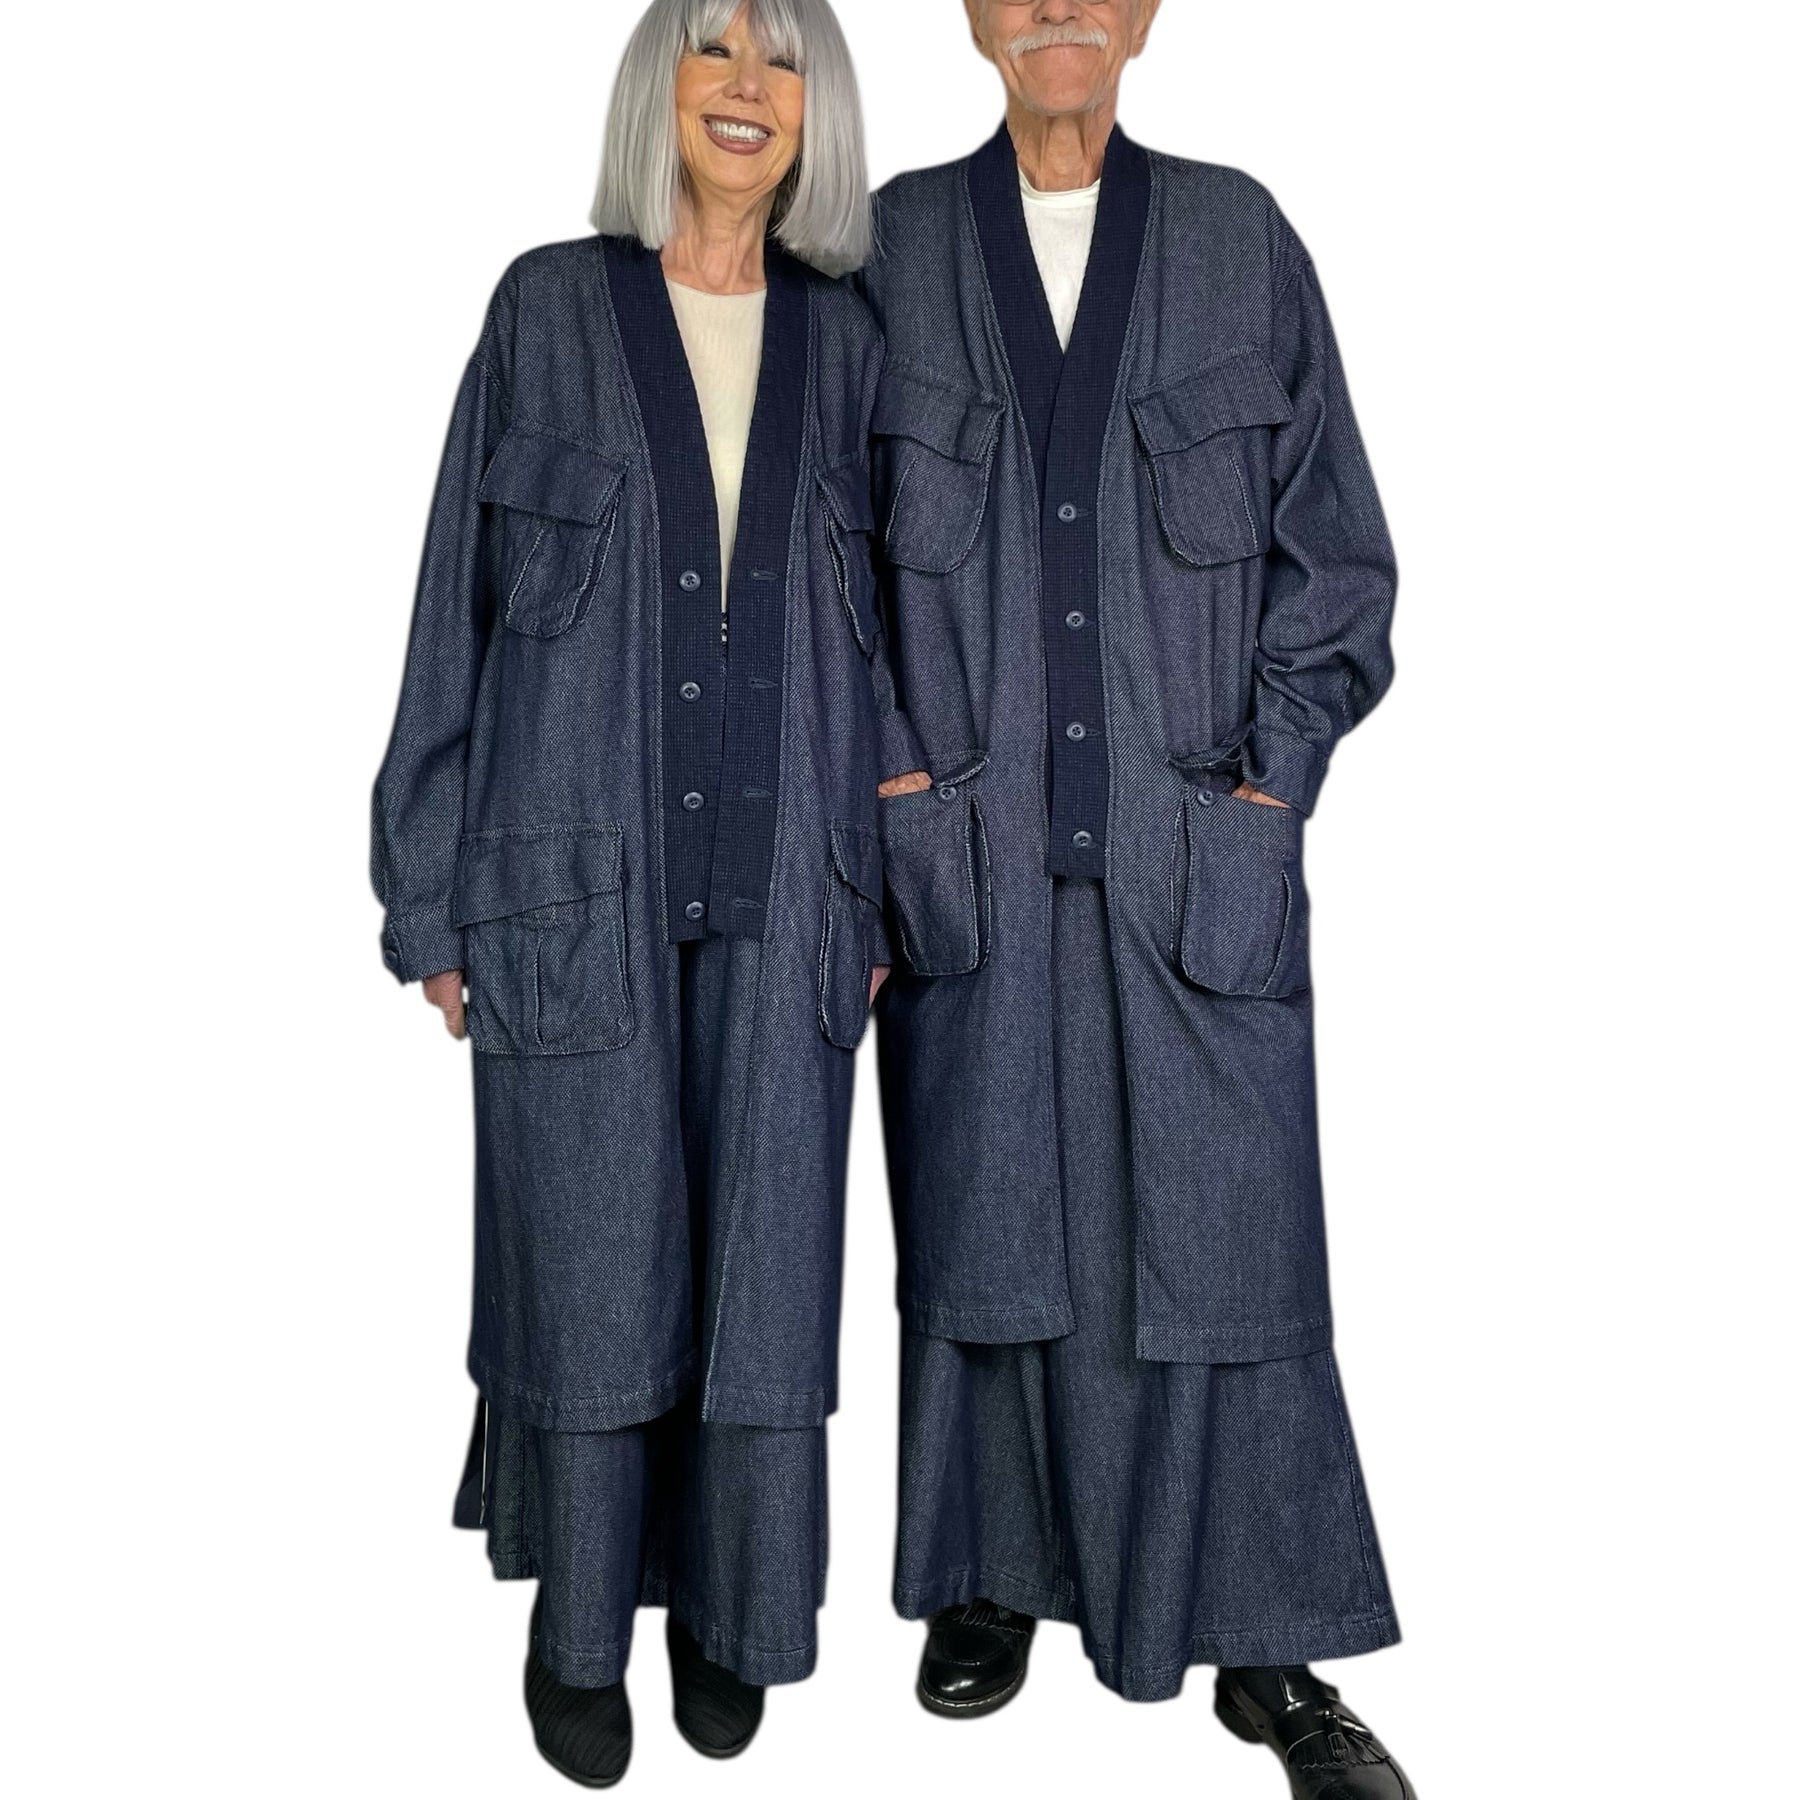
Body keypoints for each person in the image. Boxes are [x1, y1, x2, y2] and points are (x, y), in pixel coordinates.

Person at [858, 4, 1414, 1794]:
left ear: (1151, 10)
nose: (1058, 8)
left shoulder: (1241, 240)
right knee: (987, 1217)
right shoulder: (884, 248)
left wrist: (1273, 783)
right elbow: (822, 561)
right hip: (968, 854)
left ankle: (1270, 1650)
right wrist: (896, 785)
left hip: (1196, 847)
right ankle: (988, 1573)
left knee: (1228, 1238)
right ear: (969, 12)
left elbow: (1338, 553)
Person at [371, 0, 926, 1784]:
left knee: (764, 1265)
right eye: (714, 51)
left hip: (795, 881)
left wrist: (889, 892)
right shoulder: (545, 310)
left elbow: (894, 639)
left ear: (816, 112)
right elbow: (453, 605)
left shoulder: (851, 343)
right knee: (592, 1263)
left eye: (782, 61)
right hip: (567, 884)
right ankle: (581, 1629)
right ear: (658, 92)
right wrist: (428, 892)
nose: (747, 88)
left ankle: (732, 1617)